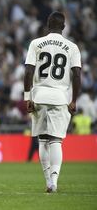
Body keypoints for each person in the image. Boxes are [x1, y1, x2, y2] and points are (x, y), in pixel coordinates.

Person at [24, 11, 81, 193]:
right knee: (56, 140)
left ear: (47, 25)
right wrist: (74, 100)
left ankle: (48, 180)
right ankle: (54, 181)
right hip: (60, 97)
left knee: (42, 140)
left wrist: (27, 97)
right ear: (63, 27)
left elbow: (28, 72)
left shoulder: (36, 43)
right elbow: (77, 74)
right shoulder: (72, 47)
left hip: (39, 95)